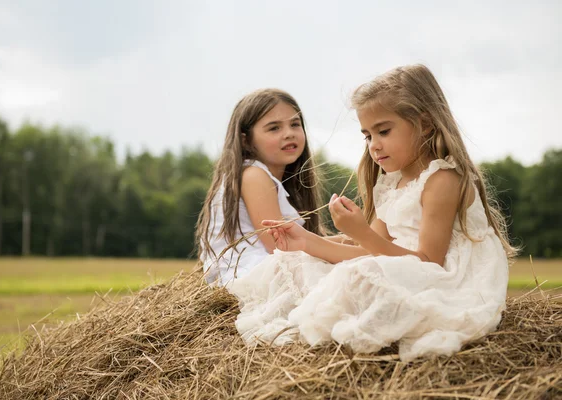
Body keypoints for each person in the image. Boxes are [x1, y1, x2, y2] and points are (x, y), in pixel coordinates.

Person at [227, 65, 517, 362]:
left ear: (425, 124)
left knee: (360, 276)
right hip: (400, 265)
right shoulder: (391, 182)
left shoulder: (442, 180)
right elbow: (369, 251)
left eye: (384, 131)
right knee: (306, 265)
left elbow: (429, 263)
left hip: (449, 277)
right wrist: (305, 241)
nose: (374, 146)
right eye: (367, 135)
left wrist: (360, 233)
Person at [195, 88, 325, 286]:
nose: (289, 134)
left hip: (265, 271)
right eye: (274, 128)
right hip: (255, 276)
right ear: (246, 140)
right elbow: (280, 247)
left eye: (295, 124)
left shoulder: (260, 175)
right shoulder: (254, 176)